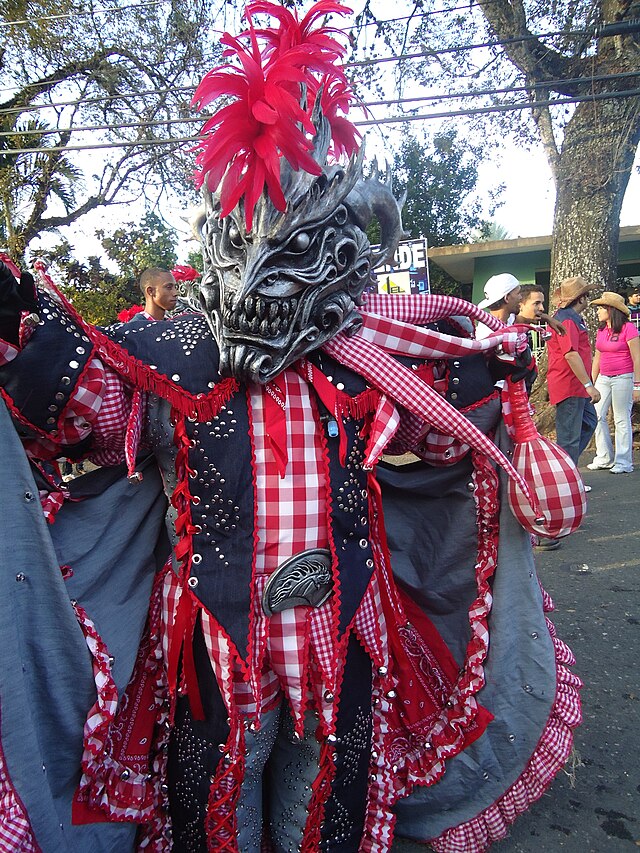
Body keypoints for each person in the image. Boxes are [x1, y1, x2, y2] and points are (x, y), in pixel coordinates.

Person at [0, 5, 584, 852]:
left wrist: (493, 383)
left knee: (333, 797)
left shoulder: (373, 356)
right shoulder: (170, 356)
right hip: (211, 636)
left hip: (346, 624)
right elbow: (92, 423)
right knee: (212, 801)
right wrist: (25, 332)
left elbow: (450, 446)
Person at [547, 276, 601, 466]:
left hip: (576, 385)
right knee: (569, 438)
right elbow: (571, 354)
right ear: (581, 298)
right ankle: (565, 479)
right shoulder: (567, 320)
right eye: (586, 296)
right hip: (570, 385)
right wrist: (589, 385)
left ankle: (566, 469)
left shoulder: (571, 318)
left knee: (588, 423)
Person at [587, 291, 640, 473]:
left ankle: (624, 462)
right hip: (604, 378)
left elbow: (637, 357)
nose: (598, 311)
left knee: (621, 418)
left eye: (601, 308)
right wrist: (591, 384)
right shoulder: (602, 330)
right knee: (598, 416)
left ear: (611, 310)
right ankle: (604, 457)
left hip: (624, 378)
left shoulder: (629, 329)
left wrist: (637, 385)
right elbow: (597, 358)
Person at [475, 272, 521, 338]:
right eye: (518, 293)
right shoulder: (487, 334)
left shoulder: (509, 320)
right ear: (507, 298)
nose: (521, 297)